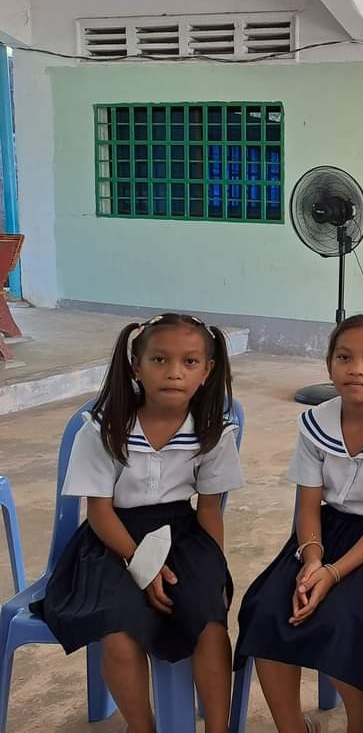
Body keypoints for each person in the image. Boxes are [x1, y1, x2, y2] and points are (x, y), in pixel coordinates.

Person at [32, 313, 243, 733]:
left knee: (209, 620)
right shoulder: (103, 429)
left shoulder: (213, 433)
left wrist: (212, 573)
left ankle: (218, 729)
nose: (174, 373)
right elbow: (100, 511)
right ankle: (142, 728)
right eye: (160, 360)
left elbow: (208, 511)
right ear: (136, 366)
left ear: (207, 370)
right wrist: (142, 565)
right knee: (119, 630)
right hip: (112, 541)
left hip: (184, 536)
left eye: (189, 362)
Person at [234, 314, 363, 733]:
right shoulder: (315, 424)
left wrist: (333, 573)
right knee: (265, 610)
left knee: (344, 618)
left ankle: (361, 720)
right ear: (329, 365)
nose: (356, 369)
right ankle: (293, 728)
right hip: (324, 532)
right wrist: (312, 561)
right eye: (344, 357)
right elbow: (307, 504)